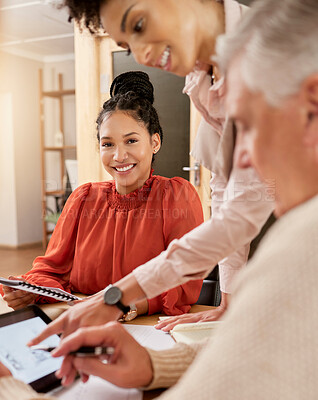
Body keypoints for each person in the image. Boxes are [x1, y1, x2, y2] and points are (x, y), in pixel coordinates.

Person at [2, 0, 318, 397]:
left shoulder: (301, 245)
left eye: (249, 127)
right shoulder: (210, 79)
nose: (242, 163)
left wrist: (14, 385)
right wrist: (153, 359)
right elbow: (232, 209)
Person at [26, 0, 276, 337]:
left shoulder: (273, 45)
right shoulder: (204, 82)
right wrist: (228, 300)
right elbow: (229, 198)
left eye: (140, 24)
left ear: (154, 142)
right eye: (129, 45)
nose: (142, 56)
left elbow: (241, 211)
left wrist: (117, 298)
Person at [0, 71, 203, 317]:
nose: (118, 156)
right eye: (107, 144)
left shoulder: (176, 196)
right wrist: (31, 291)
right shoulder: (83, 198)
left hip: (145, 329)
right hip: (81, 323)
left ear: (155, 142)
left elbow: (182, 282)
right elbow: (50, 271)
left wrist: (123, 305)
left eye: (131, 141)